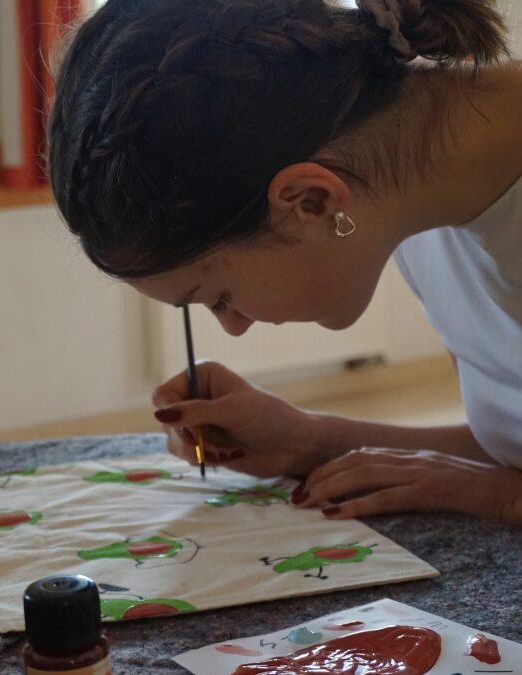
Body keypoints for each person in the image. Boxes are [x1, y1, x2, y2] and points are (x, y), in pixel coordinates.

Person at [48, 0, 522, 525]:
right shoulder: (408, 183)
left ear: (310, 201)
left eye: (219, 298)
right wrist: (304, 440)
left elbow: (507, 480)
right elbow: (510, 444)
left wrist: (502, 498)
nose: (234, 327)